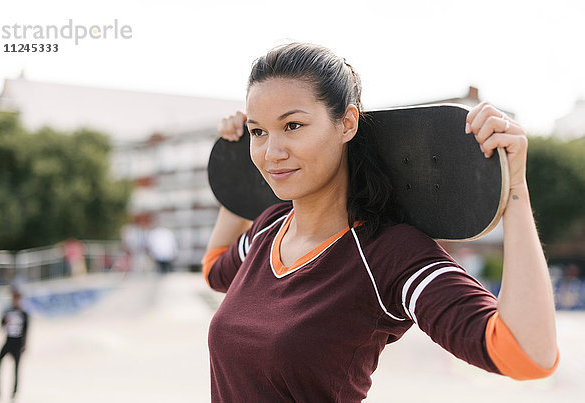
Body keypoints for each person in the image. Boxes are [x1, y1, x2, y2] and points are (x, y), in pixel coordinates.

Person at [202, 42, 559, 402]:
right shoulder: (269, 227)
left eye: (293, 125)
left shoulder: (387, 253)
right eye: (258, 132)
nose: (272, 153)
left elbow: (528, 354)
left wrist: (515, 190)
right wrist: (233, 167)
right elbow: (215, 270)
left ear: (346, 124)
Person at [0, 287, 29, 401]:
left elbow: (26, 330)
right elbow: (1, 325)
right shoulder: (8, 311)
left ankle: (14, 393)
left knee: (16, 369)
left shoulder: (23, 313)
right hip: (8, 341)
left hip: (18, 343)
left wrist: (25, 344)